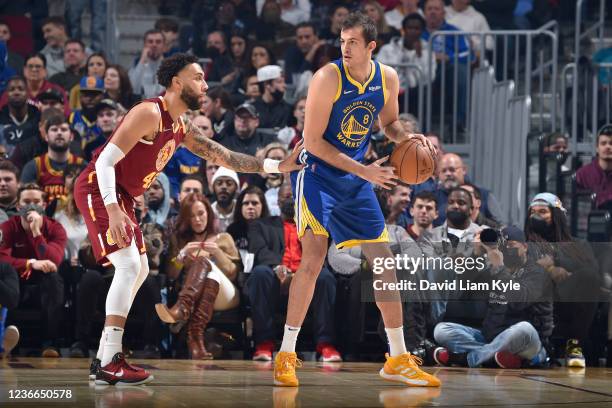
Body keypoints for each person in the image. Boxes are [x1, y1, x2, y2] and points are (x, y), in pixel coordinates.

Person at [72, 53, 302, 386]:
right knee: (128, 267)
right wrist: (111, 209)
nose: (205, 84)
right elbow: (105, 162)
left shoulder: (181, 125)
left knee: (135, 271)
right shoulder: (149, 112)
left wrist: (275, 167)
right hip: (100, 188)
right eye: (198, 77)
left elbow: (225, 156)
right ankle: (109, 361)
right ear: (177, 82)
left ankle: (106, 358)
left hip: (120, 196)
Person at [277, 12, 440, 387]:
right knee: (313, 259)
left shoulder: (387, 77)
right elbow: (313, 143)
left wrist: (414, 140)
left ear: (371, 46)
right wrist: (365, 170)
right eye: (341, 40)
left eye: (352, 42)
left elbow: (390, 125)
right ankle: (286, 353)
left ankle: (397, 357)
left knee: (384, 262)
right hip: (316, 175)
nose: (344, 48)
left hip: (353, 178)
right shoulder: (327, 77)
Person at [433, 226, 552, 368]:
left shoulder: (537, 273)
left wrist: (499, 268)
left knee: (524, 329)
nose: (506, 249)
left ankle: (467, 359)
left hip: (528, 341)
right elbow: (463, 289)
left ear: (525, 247)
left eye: (511, 245)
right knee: (441, 330)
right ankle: (494, 357)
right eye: (503, 245)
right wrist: (476, 255)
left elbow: (518, 301)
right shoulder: (493, 270)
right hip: (491, 338)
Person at [156, 193, 241, 359]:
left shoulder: (224, 238)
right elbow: (171, 276)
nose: (197, 220)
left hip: (226, 296)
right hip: (200, 296)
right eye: (191, 216)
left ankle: (182, 308)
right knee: (211, 278)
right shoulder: (179, 241)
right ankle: (196, 343)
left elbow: (233, 274)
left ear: (209, 213)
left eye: (201, 214)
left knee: (204, 263)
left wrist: (217, 253)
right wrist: (181, 255)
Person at [524, 193, 601, 367]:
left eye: (543, 211)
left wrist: (557, 264)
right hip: (534, 302)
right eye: (533, 212)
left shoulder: (578, 244)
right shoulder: (522, 243)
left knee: (589, 276)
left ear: (557, 215)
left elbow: (592, 273)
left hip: (567, 302)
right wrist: (549, 271)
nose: (536, 215)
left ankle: (574, 345)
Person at [0, 183, 67, 357]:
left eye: (36, 201)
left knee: (54, 279)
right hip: (17, 279)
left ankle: (50, 343)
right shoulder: (8, 227)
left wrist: (36, 232)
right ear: (18, 205)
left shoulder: (55, 228)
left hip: (44, 281)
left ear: (44, 206)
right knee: (6, 275)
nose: (31, 206)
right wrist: (30, 263)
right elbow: (2, 259)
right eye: (26, 201)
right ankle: (6, 340)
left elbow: (54, 261)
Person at [21, 111, 85, 207]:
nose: (59, 133)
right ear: (46, 136)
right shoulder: (33, 167)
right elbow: (27, 204)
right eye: (54, 130)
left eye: (63, 130)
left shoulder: (83, 166)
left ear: (71, 136)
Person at [0, 76, 41, 155]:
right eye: (12, 89)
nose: (16, 92)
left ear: (27, 93)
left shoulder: (38, 117)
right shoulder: (1, 119)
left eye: (21, 89)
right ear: (6, 94)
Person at [576, 124, 612, 208]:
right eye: (603, 143)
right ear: (596, 147)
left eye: (611, 143)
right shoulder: (582, 175)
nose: (608, 147)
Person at [129, 29, 165, 99]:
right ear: (145, 45)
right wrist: (142, 60)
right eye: (150, 42)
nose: (154, 45)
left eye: (158, 42)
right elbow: (134, 89)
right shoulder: (137, 63)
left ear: (163, 46)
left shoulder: (170, 66)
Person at [253, 65, 292, 129]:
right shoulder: (253, 108)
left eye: (284, 82)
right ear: (267, 85)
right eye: (279, 82)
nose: (284, 85)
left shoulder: (288, 109)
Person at [210, 167, 240, 232]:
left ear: (236, 188)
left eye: (229, 184)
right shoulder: (208, 212)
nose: (224, 187)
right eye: (219, 183)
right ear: (213, 188)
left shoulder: (242, 211)